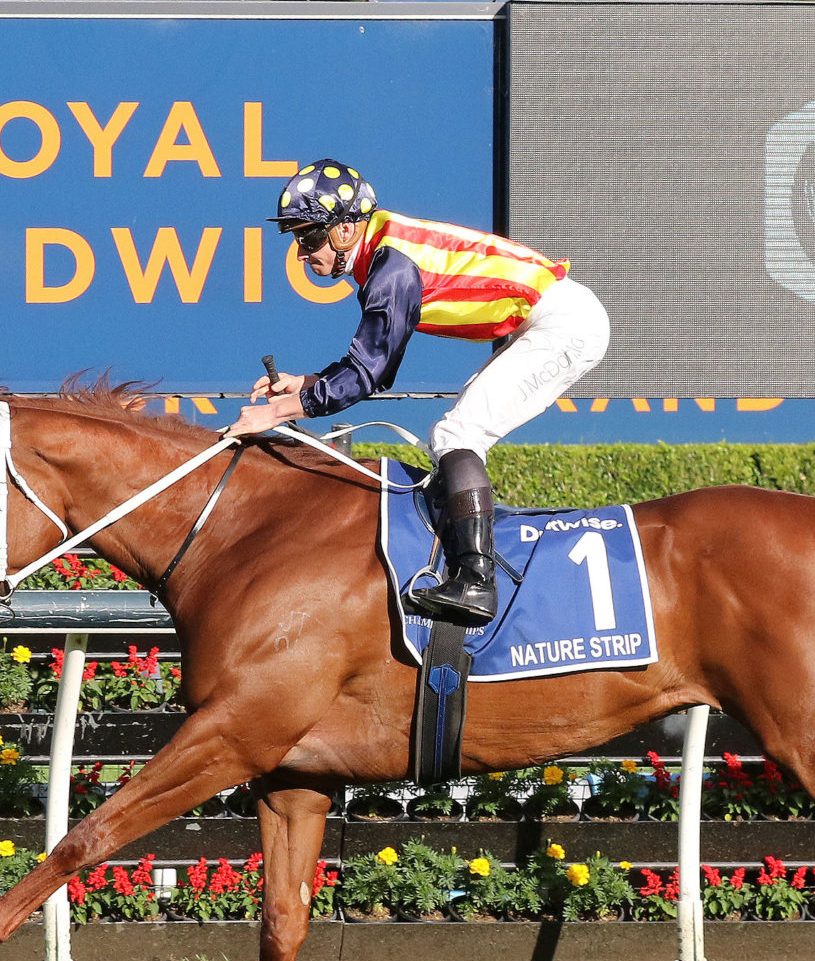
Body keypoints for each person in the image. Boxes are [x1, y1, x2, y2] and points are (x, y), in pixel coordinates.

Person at [227, 163, 609, 627]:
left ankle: (477, 581)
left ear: (345, 229)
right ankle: (460, 562)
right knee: (454, 436)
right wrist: (307, 384)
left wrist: (277, 412)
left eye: (308, 237)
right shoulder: (381, 253)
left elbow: (367, 375)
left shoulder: (391, 267)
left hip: (565, 325)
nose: (302, 253)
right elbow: (375, 366)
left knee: (457, 435)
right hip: (553, 319)